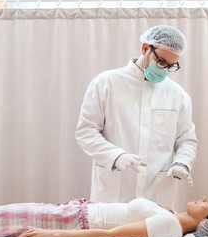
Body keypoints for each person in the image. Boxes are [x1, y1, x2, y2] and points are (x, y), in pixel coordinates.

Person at [75, 25, 198, 208]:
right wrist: (117, 157)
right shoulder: (106, 83)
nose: (165, 70)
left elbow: (187, 139)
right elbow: (86, 131)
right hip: (112, 196)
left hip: (156, 199)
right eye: (162, 62)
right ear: (145, 48)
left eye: (171, 66)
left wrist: (182, 163)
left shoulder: (177, 95)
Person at [0, 196, 208, 237]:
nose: (202, 197)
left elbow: (110, 234)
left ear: (207, 221)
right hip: (77, 212)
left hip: (73, 222)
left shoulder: (169, 226)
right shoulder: (172, 217)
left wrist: (53, 235)